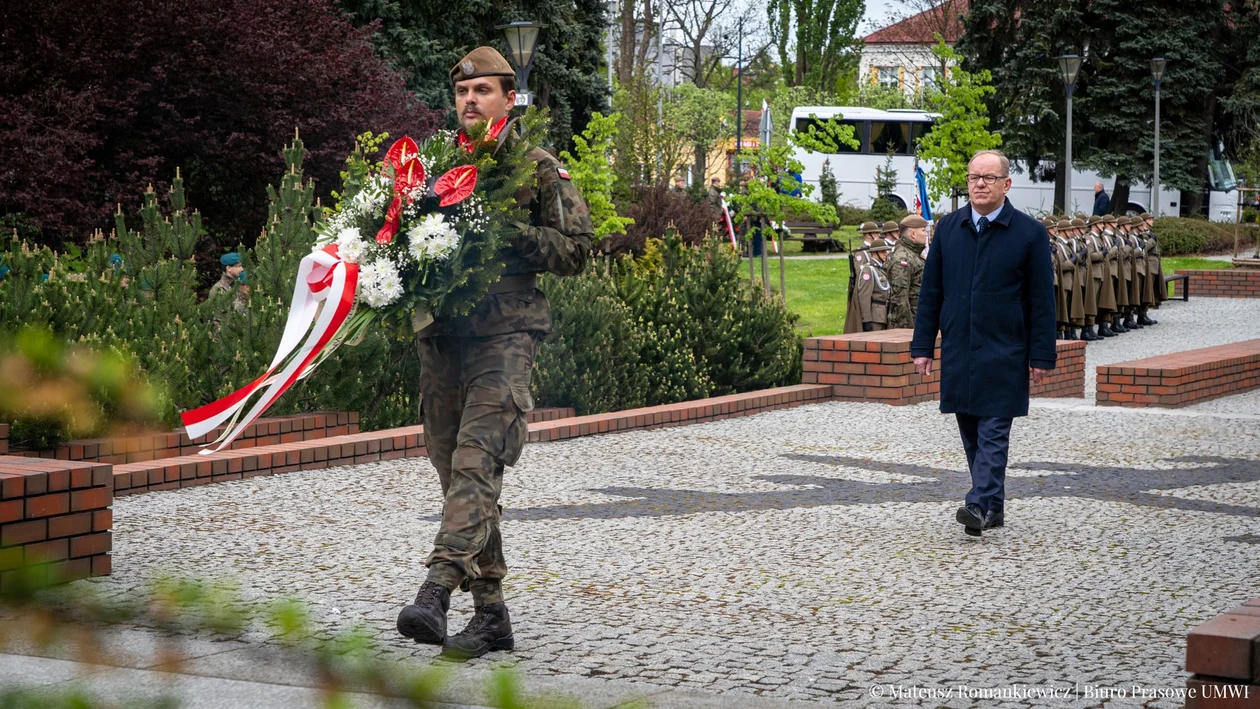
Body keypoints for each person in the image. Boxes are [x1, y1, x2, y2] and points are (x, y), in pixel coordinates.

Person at [395, 46, 594, 660]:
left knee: (478, 464)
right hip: (442, 339)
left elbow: (578, 250)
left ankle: (436, 588)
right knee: (458, 477)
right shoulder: (428, 171)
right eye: (463, 92)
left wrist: (511, 235)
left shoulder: (535, 169)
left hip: (506, 337)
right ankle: (493, 617)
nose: (471, 101)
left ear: (510, 98)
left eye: (484, 90)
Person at [911, 150, 1056, 537]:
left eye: (988, 178)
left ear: (1006, 184)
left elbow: (1042, 300)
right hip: (960, 348)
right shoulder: (948, 228)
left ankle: (977, 503)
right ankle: (994, 506)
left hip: (1005, 350)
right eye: (974, 177)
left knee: (993, 430)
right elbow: (931, 292)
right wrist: (922, 346)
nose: (979, 184)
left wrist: (1041, 354)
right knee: (972, 432)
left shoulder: (1029, 233)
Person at [887, 215, 928, 329]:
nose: (926, 234)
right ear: (913, 234)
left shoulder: (914, 255)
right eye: (923, 230)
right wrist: (908, 329)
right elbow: (900, 299)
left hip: (921, 320)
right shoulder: (903, 259)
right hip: (912, 325)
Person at [844, 238, 892, 333]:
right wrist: (866, 319)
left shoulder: (880, 268)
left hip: (883, 315)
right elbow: (864, 296)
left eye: (886, 251)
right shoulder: (868, 270)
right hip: (875, 317)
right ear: (874, 253)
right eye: (882, 251)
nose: (886, 253)